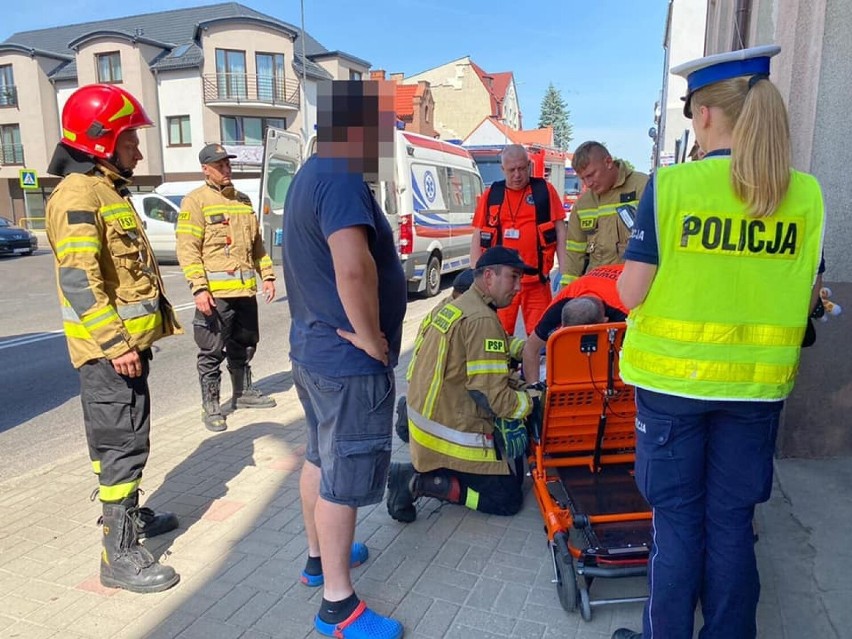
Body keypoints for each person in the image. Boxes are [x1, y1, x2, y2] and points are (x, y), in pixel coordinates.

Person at [612, 45, 826, 639]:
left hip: (673, 387)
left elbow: (632, 293)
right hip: (756, 392)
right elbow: (809, 295)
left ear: (705, 114)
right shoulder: (805, 195)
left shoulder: (673, 186)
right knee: (732, 521)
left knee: (677, 521)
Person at [44, 84, 181, 593]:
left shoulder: (105, 189)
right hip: (108, 355)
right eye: (129, 141)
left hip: (123, 350)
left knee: (118, 444)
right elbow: (79, 279)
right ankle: (118, 555)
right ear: (100, 140)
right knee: (122, 445)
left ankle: (128, 517)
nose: (138, 150)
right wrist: (117, 343)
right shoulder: (79, 194)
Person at [282, 79, 406, 639]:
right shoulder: (341, 178)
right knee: (342, 477)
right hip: (345, 362)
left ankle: (319, 560)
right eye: (381, 131)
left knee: (319, 457)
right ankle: (339, 606)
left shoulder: (309, 175)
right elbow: (352, 268)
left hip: (313, 353)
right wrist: (373, 338)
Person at [386, 246, 538, 523]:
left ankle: (427, 473)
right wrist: (533, 401)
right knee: (507, 499)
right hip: (450, 438)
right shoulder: (482, 319)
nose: (519, 287)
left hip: (425, 422)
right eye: (513, 277)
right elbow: (492, 398)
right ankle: (419, 482)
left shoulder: (458, 307)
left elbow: (494, 350)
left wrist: (531, 349)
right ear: (489, 276)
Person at [176, 143, 277, 432]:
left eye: (227, 164)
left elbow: (257, 245)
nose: (226, 169)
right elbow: (188, 249)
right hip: (216, 296)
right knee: (211, 351)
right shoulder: (195, 201)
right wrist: (199, 288)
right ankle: (211, 406)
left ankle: (242, 393)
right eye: (219, 165)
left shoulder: (243, 201)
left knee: (244, 344)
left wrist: (267, 275)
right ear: (205, 169)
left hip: (245, 292)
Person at [471, 145, 567, 335]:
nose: (517, 175)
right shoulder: (492, 195)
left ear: (529, 166)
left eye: (522, 168)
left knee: (541, 337)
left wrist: (564, 271)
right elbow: (478, 234)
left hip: (537, 281)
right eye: (511, 170)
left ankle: (536, 364)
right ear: (503, 170)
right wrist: (475, 274)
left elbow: (560, 231)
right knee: (497, 334)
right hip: (501, 283)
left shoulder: (544, 191)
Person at [394, 268, 484, 444]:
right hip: (434, 399)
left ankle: (409, 411)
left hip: (420, 385)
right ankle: (407, 413)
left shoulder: (446, 306)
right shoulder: (464, 318)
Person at [521, 264, 628, 384]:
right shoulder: (559, 305)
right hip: (598, 281)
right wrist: (534, 388)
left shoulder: (625, 310)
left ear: (605, 321)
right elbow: (531, 348)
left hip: (632, 279)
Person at [564, 141, 649, 284]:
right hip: (596, 289)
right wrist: (566, 294)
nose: (588, 184)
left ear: (608, 162)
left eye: (591, 175)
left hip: (634, 288)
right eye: (583, 178)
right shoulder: (583, 204)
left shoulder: (644, 187)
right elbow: (574, 253)